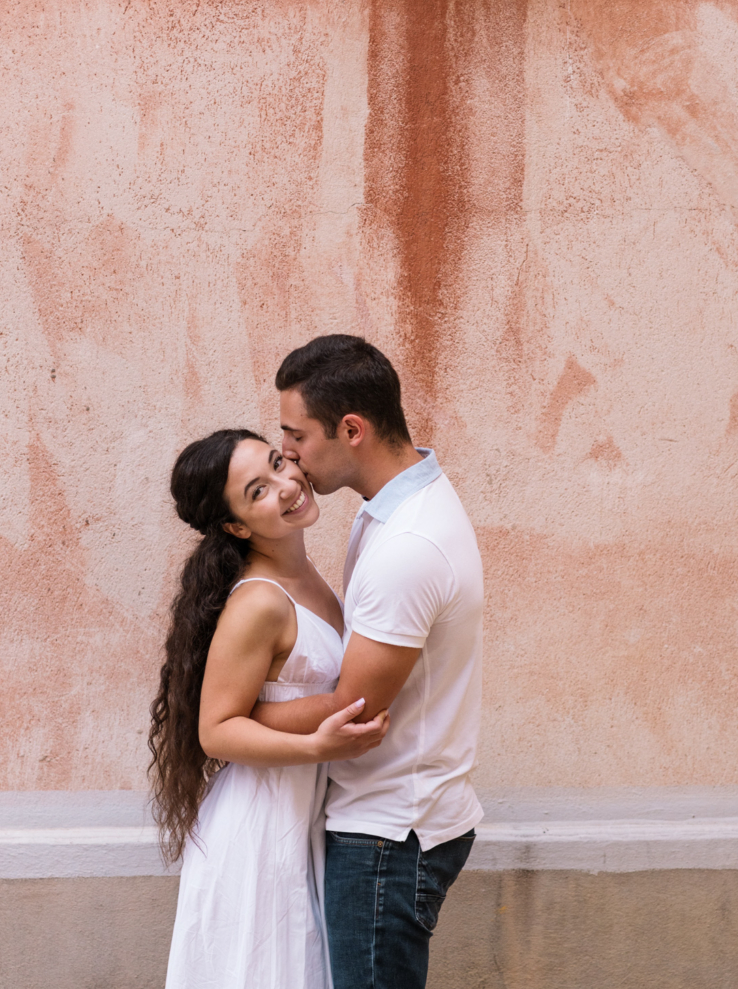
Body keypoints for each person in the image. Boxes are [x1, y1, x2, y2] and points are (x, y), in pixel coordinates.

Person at [254, 335, 484, 989]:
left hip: (387, 835)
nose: (288, 453)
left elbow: (352, 710)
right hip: (386, 821)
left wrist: (236, 714)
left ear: (350, 429)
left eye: (296, 435)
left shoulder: (407, 543)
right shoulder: (391, 510)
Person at [149, 427, 388, 989]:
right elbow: (215, 729)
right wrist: (313, 746)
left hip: (302, 818)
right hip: (262, 832)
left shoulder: (307, 577)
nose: (287, 485)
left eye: (280, 463)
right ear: (236, 526)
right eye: (257, 491)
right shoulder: (259, 601)